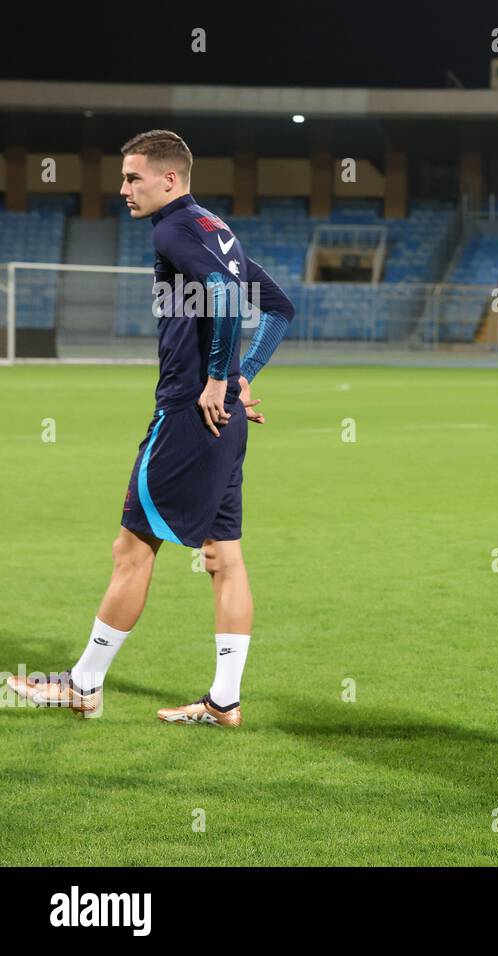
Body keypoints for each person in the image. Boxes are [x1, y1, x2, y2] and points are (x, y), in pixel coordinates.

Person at [5, 130, 295, 728]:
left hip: (190, 415)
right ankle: (224, 701)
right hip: (225, 420)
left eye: (133, 178)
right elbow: (278, 306)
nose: (122, 189)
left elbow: (220, 293)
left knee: (131, 550)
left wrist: (219, 378)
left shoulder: (172, 230)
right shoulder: (216, 228)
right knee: (224, 558)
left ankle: (83, 685)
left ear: (170, 179)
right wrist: (243, 379)